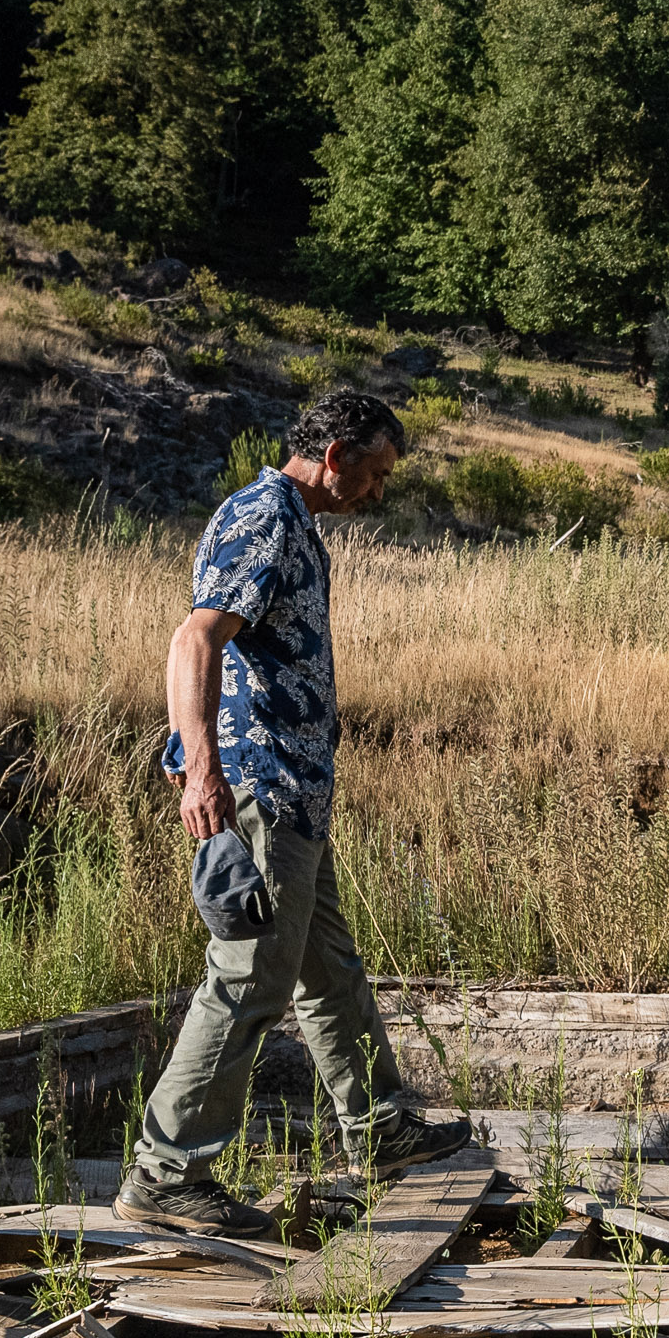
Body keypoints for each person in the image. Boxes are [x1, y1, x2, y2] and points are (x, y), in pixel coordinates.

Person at [117, 389, 470, 1238]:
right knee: (250, 976)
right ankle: (169, 1171)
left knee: (328, 969)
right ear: (337, 455)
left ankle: (380, 1129)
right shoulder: (265, 519)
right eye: (376, 474)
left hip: (298, 793)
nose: (379, 492)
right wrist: (200, 769)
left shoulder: (291, 521)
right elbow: (193, 640)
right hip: (263, 788)